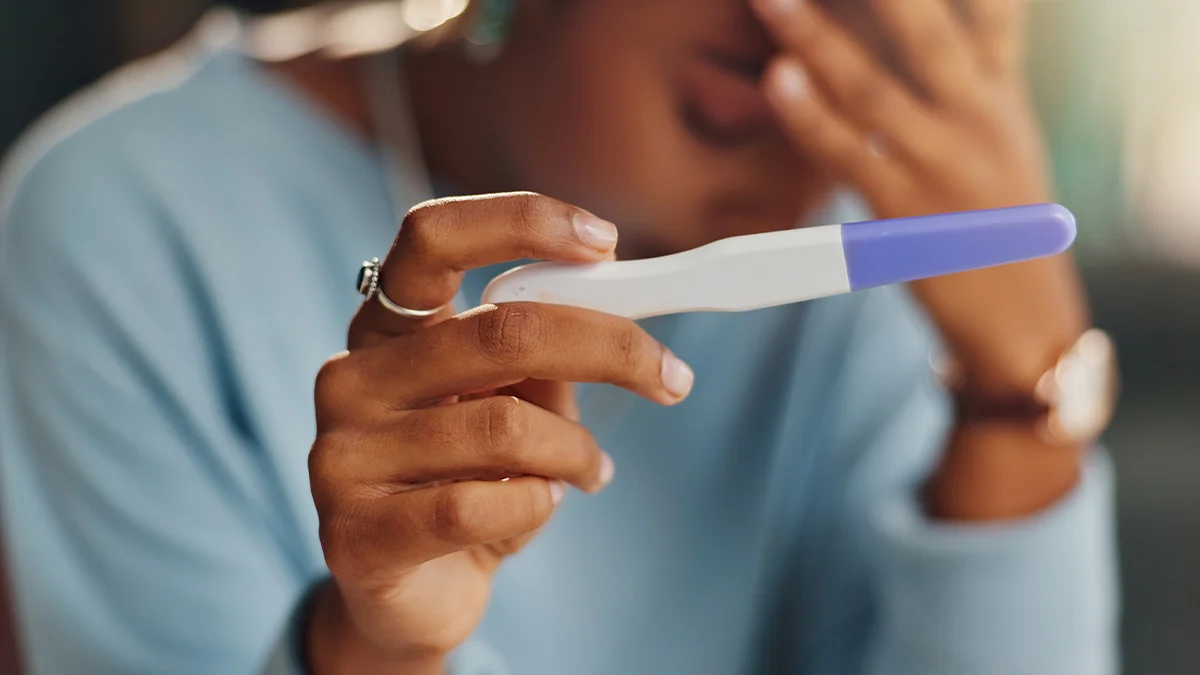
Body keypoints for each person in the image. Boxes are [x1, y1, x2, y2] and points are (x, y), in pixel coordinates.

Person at [0, 0, 1117, 673]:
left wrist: (1017, 393)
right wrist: (378, 653)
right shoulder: (124, 216)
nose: (791, 23)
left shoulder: (888, 257)